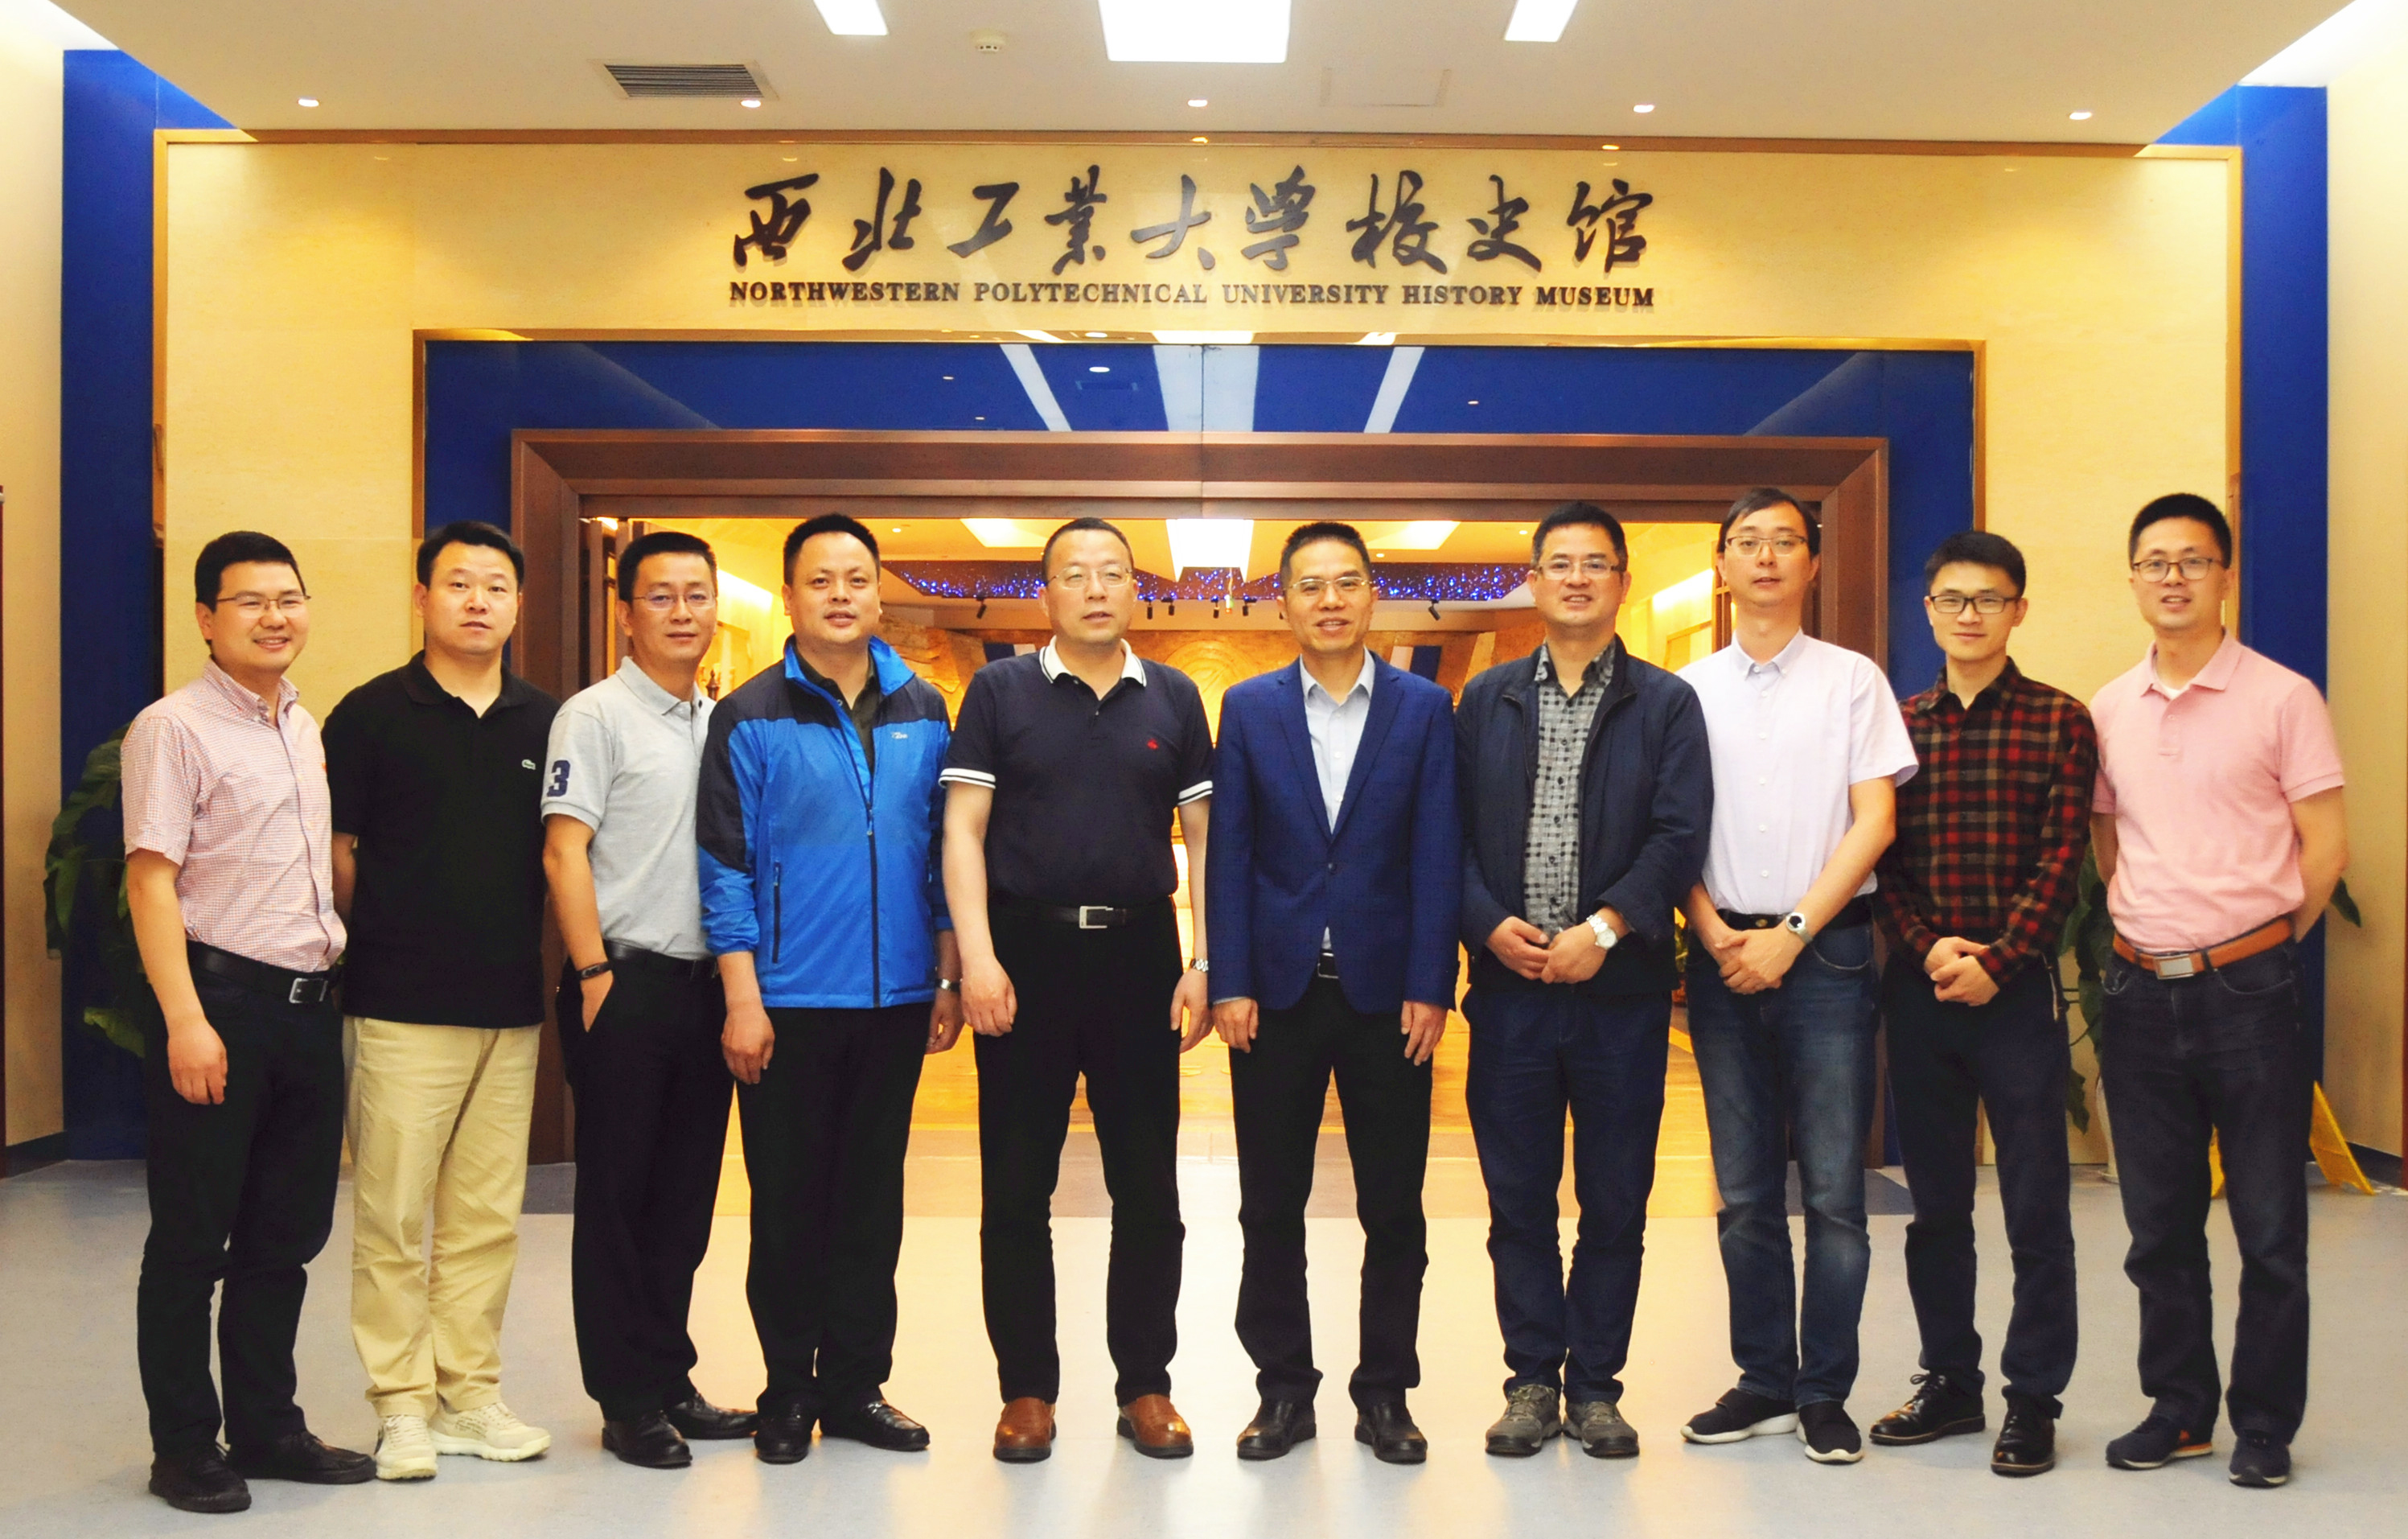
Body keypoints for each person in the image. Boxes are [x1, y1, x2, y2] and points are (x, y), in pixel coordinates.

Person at [941, 516, 1217, 1463]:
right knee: (1017, 1185)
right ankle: (1027, 1389)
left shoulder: (1173, 696)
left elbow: (1205, 840)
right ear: (1046, 592)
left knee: (1149, 1187)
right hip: (1026, 953)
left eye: (1113, 573)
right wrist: (978, 958)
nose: (1096, 589)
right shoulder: (999, 690)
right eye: (1075, 573)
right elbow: (963, 828)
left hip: (1140, 955)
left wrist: (1205, 959)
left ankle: (1146, 1383)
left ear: (1137, 588)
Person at [2089, 493, 2345, 1490]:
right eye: (2154, 560)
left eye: (2192, 560)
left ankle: (2266, 1423)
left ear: (2224, 575)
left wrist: (2256, 945)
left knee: (2271, 1226)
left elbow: (2325, 848)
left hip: (2250, 990)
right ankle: (2181, 1409)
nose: (2172, 577)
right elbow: (2110, 841)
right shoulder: (2111, 706)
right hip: (2139, 990)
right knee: (2159, 1227)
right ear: (2132, 578)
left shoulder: (2283, 697)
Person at [701, 515, 962, 1463]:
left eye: (857, 577)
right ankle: (787, 1388)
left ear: (879, 592)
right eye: (821, 579)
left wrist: (945, 973)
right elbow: (724, 864)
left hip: (896, 1000)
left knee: (870, 1202)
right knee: (787, 1204)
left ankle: (856, 1386)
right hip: (788, 1000)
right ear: (790, 596)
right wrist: (742, 996)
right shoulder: (749, 714)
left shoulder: (924, 706)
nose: (841, 594)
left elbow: (943, 852)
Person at [1455, 502, 1712, 1460]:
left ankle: (1597, 1386)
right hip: (1511, 991)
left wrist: (1604, 928)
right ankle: (1530, 1380)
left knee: (1615, 1200)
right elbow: (1448, 833)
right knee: (1518, 1201)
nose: (1575, 578)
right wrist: (1485, 922)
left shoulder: (1665, 702)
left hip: (1621, 996)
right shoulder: (1486, 698)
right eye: (1558, 562)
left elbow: (1680, 832)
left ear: (1622, 582)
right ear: (1533, 579)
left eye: (1594, 563)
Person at [123, 531, 374, 1512]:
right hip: (220, 1004)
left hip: (308, 1009)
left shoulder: (300, 723)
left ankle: (267, 1428)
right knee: (192, 1239)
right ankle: (185, 1444)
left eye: (290, 598)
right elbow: (152, 879)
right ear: (206, 618)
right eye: (250, 601)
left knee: (285, 1235)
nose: (276, 617)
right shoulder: (173, 728)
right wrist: (185, 1019)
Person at [1206, 522, 1461, 1465]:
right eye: (1310, 584)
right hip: (1274, 996)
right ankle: (1283, 1389)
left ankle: (1385, 1391)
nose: (1329, 600)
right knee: (1269, 1205)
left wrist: (1432, 982)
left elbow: (1438, 849)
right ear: (1284, 601)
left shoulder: (1425, 707)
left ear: (1370, 594)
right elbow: (1229, 852)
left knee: (1394, 1207)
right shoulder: (1249, 706)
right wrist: (1229, 977)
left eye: (1346, 582)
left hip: (1388, 995)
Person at [1677, 487, 1918, 1465]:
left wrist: (1790, 931)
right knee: (1742, 1192)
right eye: (1748, 542)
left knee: (1833, 1194)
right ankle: (1764, 1379)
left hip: (1828, 955)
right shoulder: (1686, 690)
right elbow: (1670, 830)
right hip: (1721, 955)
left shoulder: (1855, 681)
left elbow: (1876, 820)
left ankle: (1825, 1391)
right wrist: (1712, 931)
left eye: (1786, 541)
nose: (1767, 556)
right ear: (1722, 566)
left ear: (1812, 564)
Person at [323, 521, 559, 1480]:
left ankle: (470, 1393)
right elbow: (339, 855)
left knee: (486, 1216)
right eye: (458, 582)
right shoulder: (370, 713)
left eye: (496, 585)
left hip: (509, 1005)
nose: (477, 600)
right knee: (392, 1216)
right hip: (398, 1004)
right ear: (422, 595)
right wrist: (392, 928)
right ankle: (401, 1405)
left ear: (518, 604)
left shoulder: (548, 721)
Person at [1868, 530, 2095, 1478]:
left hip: (2016, 994)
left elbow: (2062, 856)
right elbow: (1880, 853)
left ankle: (2033, 1397)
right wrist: (1928, 947)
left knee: (2037, 1204)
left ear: (2018, 609)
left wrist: (1999, 959)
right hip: (1923, 990)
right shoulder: (1898, 725)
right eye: (1953, 599)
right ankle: (1951, 1381)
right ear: (1928, 610)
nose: (1970, 614)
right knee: (1937, 1208)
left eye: (1989, 598)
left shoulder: (2060, 720)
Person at [540, 529, 755, 1469]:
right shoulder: (595, 716)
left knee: (685, 1200)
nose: (682, 611)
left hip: (708, 992)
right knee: (618, 1200)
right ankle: (625, 1398)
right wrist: (594, 974)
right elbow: (564, 849)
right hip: (624, 983)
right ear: (626, 612)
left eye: (697, 594)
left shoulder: (721, 720)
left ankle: (670, 1377)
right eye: (660, 595)